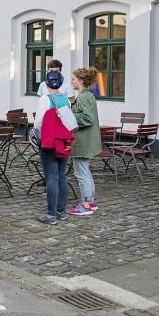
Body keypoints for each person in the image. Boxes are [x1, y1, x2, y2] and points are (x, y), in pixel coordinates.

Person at [33, 70, 72, 225]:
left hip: (50, 143)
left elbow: (39, 124)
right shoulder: (66, 100)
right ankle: (62, 211)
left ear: (47, 83)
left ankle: (51, 214)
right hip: (64, 142)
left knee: (51, 177)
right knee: (62, 176)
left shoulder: (45, 99)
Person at [68, 68, 100, 216]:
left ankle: (86, 204)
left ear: (80, 81)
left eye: (73, 79)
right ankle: (91, 201)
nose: (71, 81)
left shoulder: (83, 98)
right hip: (87, 139)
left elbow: (87, 118)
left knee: (81, 172)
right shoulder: (88, 96)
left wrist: (70, 118)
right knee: (85, 171)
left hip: (82, 141)